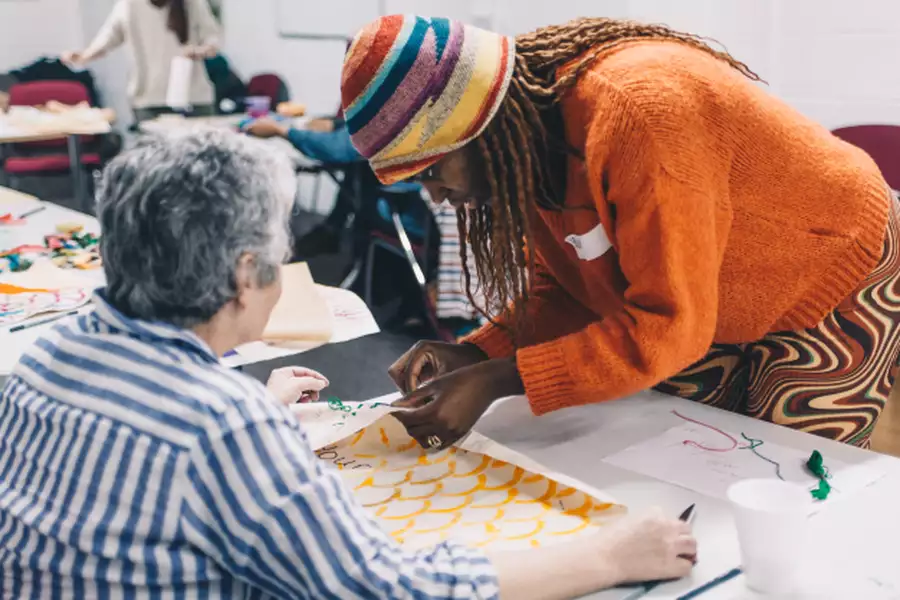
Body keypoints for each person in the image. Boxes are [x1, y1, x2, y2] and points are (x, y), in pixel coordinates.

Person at [0, 129, 697, 598]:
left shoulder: (46, 357)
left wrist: (252, 412)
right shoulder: (220, 428)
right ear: (246, 276)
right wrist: (612, 557)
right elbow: (387, 588)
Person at [340, 15, 899, 451]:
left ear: (480, 127)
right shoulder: (528, 139)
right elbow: (564, 291)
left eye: (433, 170)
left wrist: (498, 380)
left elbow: (670, 327)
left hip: (832, 270)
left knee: (784, 469)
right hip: (709, 300)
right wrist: (475, 354)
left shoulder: (640, 117)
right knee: (683, 445)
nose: (434, 195)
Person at [63, 0, 219, 122]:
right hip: (148, 99)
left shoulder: (192, 3)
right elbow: (108, 38)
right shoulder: (129, 5)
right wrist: (84, 56)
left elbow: (213, 38)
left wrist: (201, 51)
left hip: (193, 97)